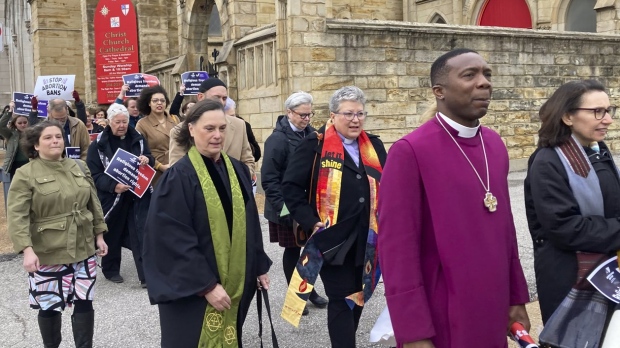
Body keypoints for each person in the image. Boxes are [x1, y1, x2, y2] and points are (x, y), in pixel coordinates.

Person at [377, 48, 530, 348]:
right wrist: (413, 331)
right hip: (443, 311)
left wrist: (516, 298)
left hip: (492, 304)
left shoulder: (495, 145)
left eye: (487, 74)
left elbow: (506, 233)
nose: (484, 82)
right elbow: (397, 250)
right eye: (470, 75)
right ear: (439, 91)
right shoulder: (411, 151)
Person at [142, 99, 271, 348]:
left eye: (222, 129)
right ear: (191, 129)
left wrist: (258, 265)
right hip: (193, 292)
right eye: (209, 128)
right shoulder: (177, 178)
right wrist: (206, 285)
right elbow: (170, 239)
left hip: (232, 283)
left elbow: (249, 224)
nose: (217, 135)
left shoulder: (237, 171)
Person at [282, 86, 386, 347]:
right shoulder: (314, 145)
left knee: (359, 295)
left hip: (367, 237)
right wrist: (310, 220)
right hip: (334, 238)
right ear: (332, 115)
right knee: (340, 299)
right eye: (349, 114)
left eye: (360, 113)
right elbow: (291, 187)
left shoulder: (373, 145)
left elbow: (390, 184)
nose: (355, 119)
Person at [524, 80, 620, 336]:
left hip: (605, 273)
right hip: (570, 280)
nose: (608, 119)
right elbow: (565, 228)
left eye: (609, 110)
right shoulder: (548, 161)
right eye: (597, 111)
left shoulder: (597, 152)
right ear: (567, 116)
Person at [7, 120, 108, 348]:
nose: (55, 141)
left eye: (58, 137)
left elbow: (93, 203)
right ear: (35, 145)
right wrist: (27, 250)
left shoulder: (79, 167)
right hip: (48, 251)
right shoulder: (25, 174)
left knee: (84, 301)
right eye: (48, 138)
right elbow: (17, 216)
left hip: (82, 248)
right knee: (50, 305)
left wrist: (99, 235)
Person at [261, 91, 327, 316]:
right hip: (286, 206)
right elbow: (269, 178)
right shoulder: (277, 140)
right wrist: (285, 210)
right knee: (292, 250)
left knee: (311, 249)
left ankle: (309, 290)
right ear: (289, 113)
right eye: (302, 115)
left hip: (306, 204)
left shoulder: (313, 135)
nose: (307, 119)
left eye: (310, 115)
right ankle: (296, 297)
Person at [86, 103, 155, 287]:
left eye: (125, 122)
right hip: (112, 196)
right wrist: (113, 186)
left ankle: (146, 276)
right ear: (109, 122)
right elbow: (93, 175)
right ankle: (110, 270)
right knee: (112, 233)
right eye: (118, 122)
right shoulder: (98, 145)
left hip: (136, 195)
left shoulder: (137, 138)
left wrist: (147, 159)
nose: (122, 125)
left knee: (141, 233)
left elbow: (150, 157)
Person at [168, 78, 255, 177]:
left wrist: (239, 180)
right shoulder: (178, 131)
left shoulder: (239, 125)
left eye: (224, 98)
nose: (221, 102)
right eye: (216, 97)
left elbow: (248, 161)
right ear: (200, 97)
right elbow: (176, 170)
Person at [135, 85, 180, 185]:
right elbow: (139, 151)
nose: (159, 103)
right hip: (156, 172)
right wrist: (160, 166)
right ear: (149, 103)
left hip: (177, 167)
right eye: (155, 101)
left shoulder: (175, 119)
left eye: (162, 100)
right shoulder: (142, 124)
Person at [225, 97, 261, 162]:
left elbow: (257, 154)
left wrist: (244, 144)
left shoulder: (243, 125)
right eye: (230, 117)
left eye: (233, 115)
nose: (233, 119)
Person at [1, 101, 30, 179]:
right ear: (15, 124)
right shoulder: (11, 135)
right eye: (20, 123)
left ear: (28, 122)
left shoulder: (33, 133)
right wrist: (10, 111)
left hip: (30, 164)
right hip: (15, 165)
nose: (23, 125)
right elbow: (1, 126)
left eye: (25, 122)